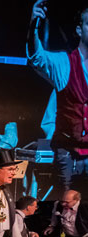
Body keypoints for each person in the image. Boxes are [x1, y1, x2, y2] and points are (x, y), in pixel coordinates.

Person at [27, 1, 88, 192]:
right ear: (79, 30)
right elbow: (37, 57)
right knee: (68, 203)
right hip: (68, 153)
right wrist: (34, 25)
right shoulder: (64, 63)